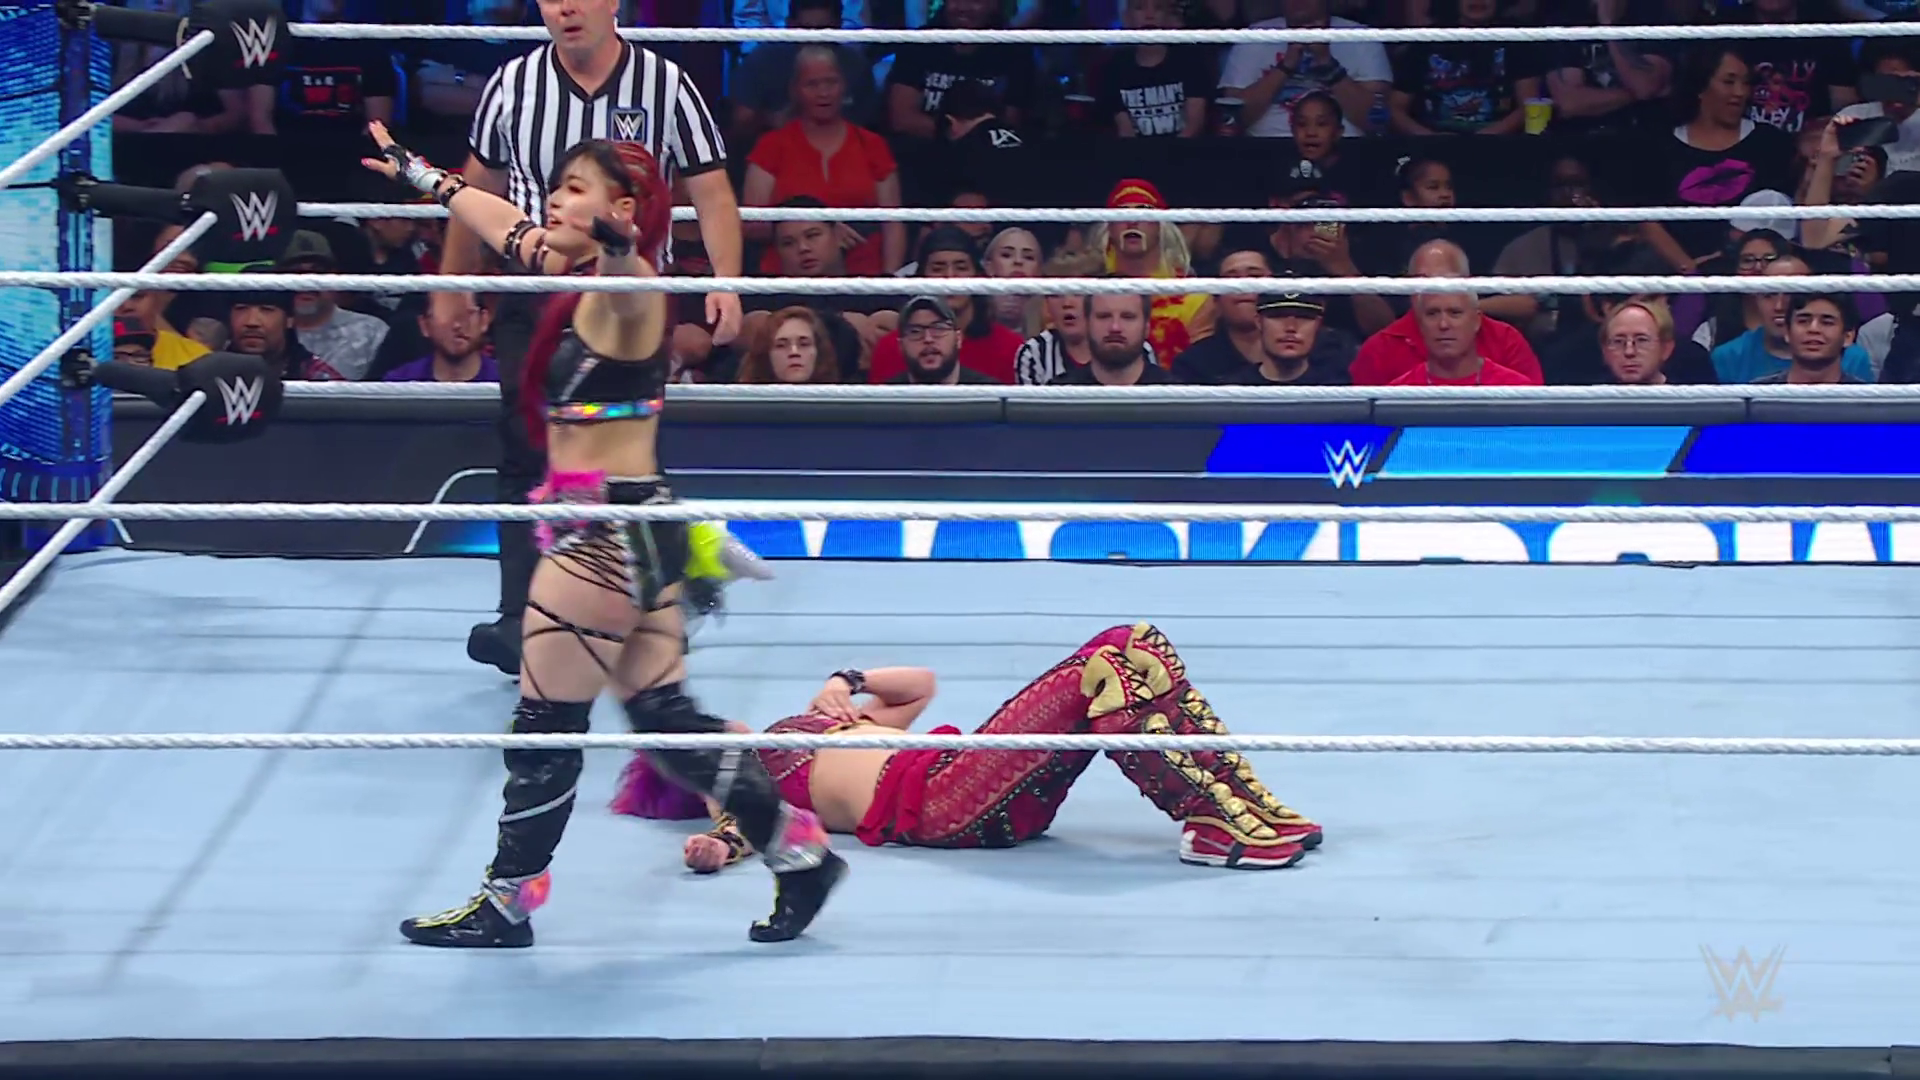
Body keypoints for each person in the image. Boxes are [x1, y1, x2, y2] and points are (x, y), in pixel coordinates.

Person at [362, 123, 845, 949]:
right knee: (663, 719)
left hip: (600, 540)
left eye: (574, 189)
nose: (553, 200)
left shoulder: (632, 289)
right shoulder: (569, 267)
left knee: (545, 724)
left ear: (621, 208)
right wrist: (427, 178)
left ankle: (508, 900)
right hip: (639, 527)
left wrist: (621, 242)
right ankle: (798, 852)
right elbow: (502, 223)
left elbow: (626, 281)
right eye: (555, 187)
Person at [448, 0, 748, 677]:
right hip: (533, 292)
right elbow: (479, 191)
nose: (566, 7)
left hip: (626, 300)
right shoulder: (513, 84)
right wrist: (452, 284)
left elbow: (711, 191)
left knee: (623, 450)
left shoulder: (664, 83)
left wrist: (726, 282)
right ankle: (522, 616)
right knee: (525, 450)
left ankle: (656, 605)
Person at [613, 624, 1321, 869]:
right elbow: (737, 828)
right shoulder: (738, 779)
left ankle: (1244, 805)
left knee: (1135, 648)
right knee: (1107, 662)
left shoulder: (809, 725)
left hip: (965, 771)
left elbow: (919, 687)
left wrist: (847, 680)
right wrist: (714, 846)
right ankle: (1212, 825)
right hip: (943, 803)